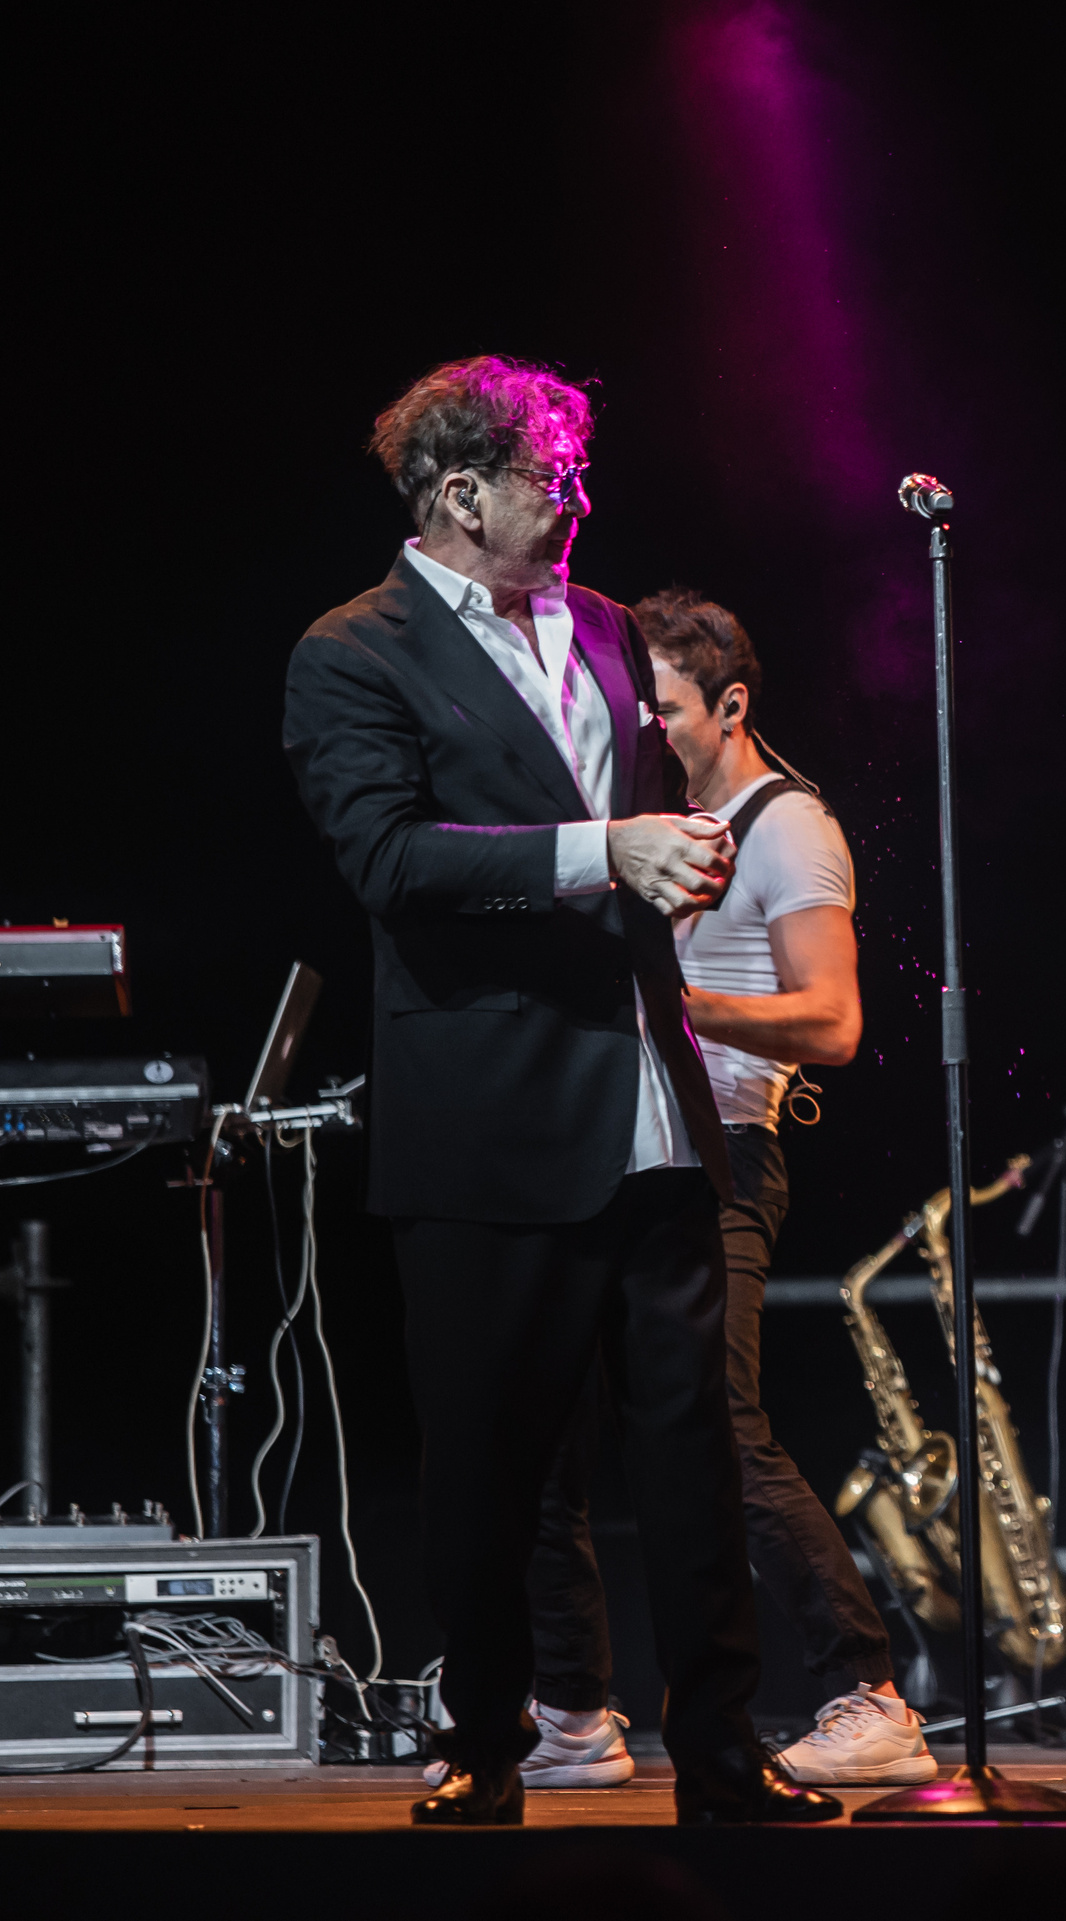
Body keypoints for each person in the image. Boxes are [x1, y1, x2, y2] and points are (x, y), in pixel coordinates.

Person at [283, 356, 836, 1827]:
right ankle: (486, 1742)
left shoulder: (597, 628)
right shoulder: (355, 651)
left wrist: (687, 853)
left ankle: (722, 1751)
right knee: (492, 1461)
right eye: (552, 478)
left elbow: (645, 824)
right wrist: (608, 852)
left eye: (578, 475)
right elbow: (393, 863)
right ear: (457, 494)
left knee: (695, 1455)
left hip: (652, 1105)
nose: (578, 503)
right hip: (494, 1116)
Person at [479, 589, 935, 1792]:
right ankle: (574, 1709)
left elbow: (832, 1021)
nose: (648, 727)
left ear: (730, 706)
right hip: (620, 1150)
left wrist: (659, 1009)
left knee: (718, 1432)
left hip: (724, 1152)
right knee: (545, 1431)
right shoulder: (662, 816)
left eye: (667, 709)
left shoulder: (788, 825)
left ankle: (866, 1691)